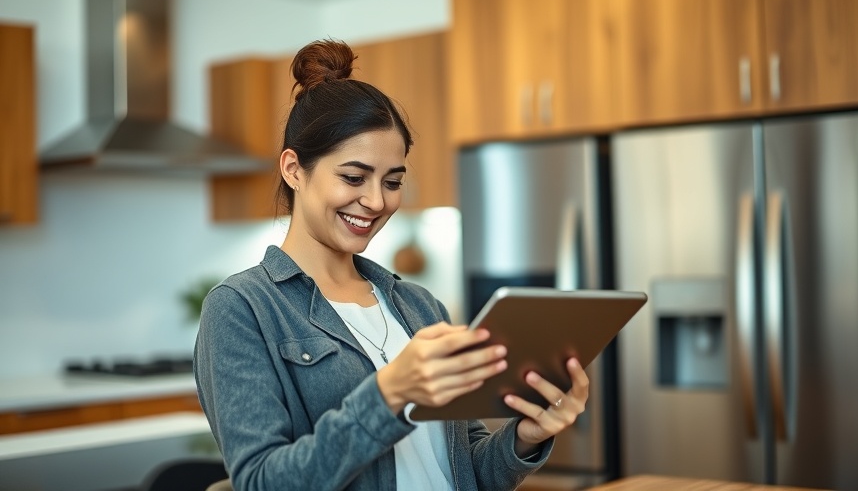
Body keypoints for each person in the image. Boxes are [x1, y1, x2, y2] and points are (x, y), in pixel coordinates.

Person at [193, 38, 592, 491]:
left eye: (393, 181)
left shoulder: (420, 307)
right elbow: (263, 482)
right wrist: (387, 395)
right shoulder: (242, 309)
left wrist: (526, 437)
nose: (376, 201)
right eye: (353, 177)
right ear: (294, 169)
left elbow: (467, 471)